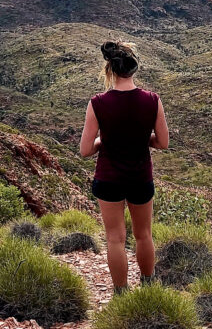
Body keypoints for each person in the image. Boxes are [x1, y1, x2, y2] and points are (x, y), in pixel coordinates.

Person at [79, 40, 169, 295]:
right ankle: (149, 286)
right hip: (140, 178)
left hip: (108, 179)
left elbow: (85, 150)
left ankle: (121, 294)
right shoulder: (152, 100)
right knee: (144, 235)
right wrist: (142, 139)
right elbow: (163, 142)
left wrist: (103, 140)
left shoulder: (98, 103)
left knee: (115, 239)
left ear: (110, 69)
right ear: (134, 69)